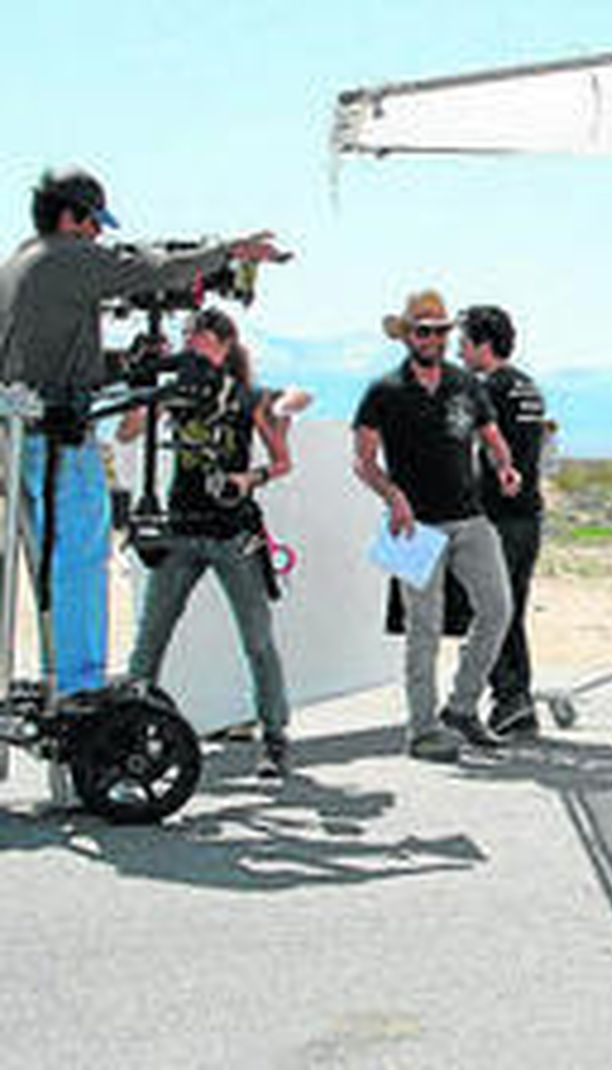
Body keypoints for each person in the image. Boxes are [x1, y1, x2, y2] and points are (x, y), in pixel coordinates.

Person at [0, 166, 285, 695]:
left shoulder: (21, 262)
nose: (98, 236)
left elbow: (52, 360)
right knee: (81, 562)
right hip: (60, 441)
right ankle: (80, 688)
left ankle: (59, 675)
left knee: (51, 561)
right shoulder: (69, 257)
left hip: (25, 437)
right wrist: (227, 252)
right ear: (71, 217)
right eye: (94, 224)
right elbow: (152, 271)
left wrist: (126, 364)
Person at [117, 308, 304, 779]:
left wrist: (248, 478)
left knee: (257, 639)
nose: (189, 346)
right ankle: (128, 734)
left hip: (232, 531)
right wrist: (146, 383)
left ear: (223, 345)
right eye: (186, 337)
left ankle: (275, 736)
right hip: (180, 529)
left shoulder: (245, 396)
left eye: (197, 338)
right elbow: (128, 432)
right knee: (150, 639)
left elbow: (283, 460)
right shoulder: (174, 393)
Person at [352, 290, 520, 763]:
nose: (433, 338)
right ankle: (422, 730)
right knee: (422, 631)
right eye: (423, 331)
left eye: (441, 331)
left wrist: (505, 468)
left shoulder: (467, 384)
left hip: (469, 517)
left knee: (498, 609)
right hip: (411, 527)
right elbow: (363, 462)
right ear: (407, 336)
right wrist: (394, 497)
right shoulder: (383, 390)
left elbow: (492, 438)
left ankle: (462, 708)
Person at [457, 304, 550, 736]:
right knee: (509, 610)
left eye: (464, 343)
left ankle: (510, 697)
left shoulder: (489, 389)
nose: (459, 352)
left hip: (498, 515)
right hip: (528, 513)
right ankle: (516, 702)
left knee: (492, 611)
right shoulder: (527, 386)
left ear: (484, 344)